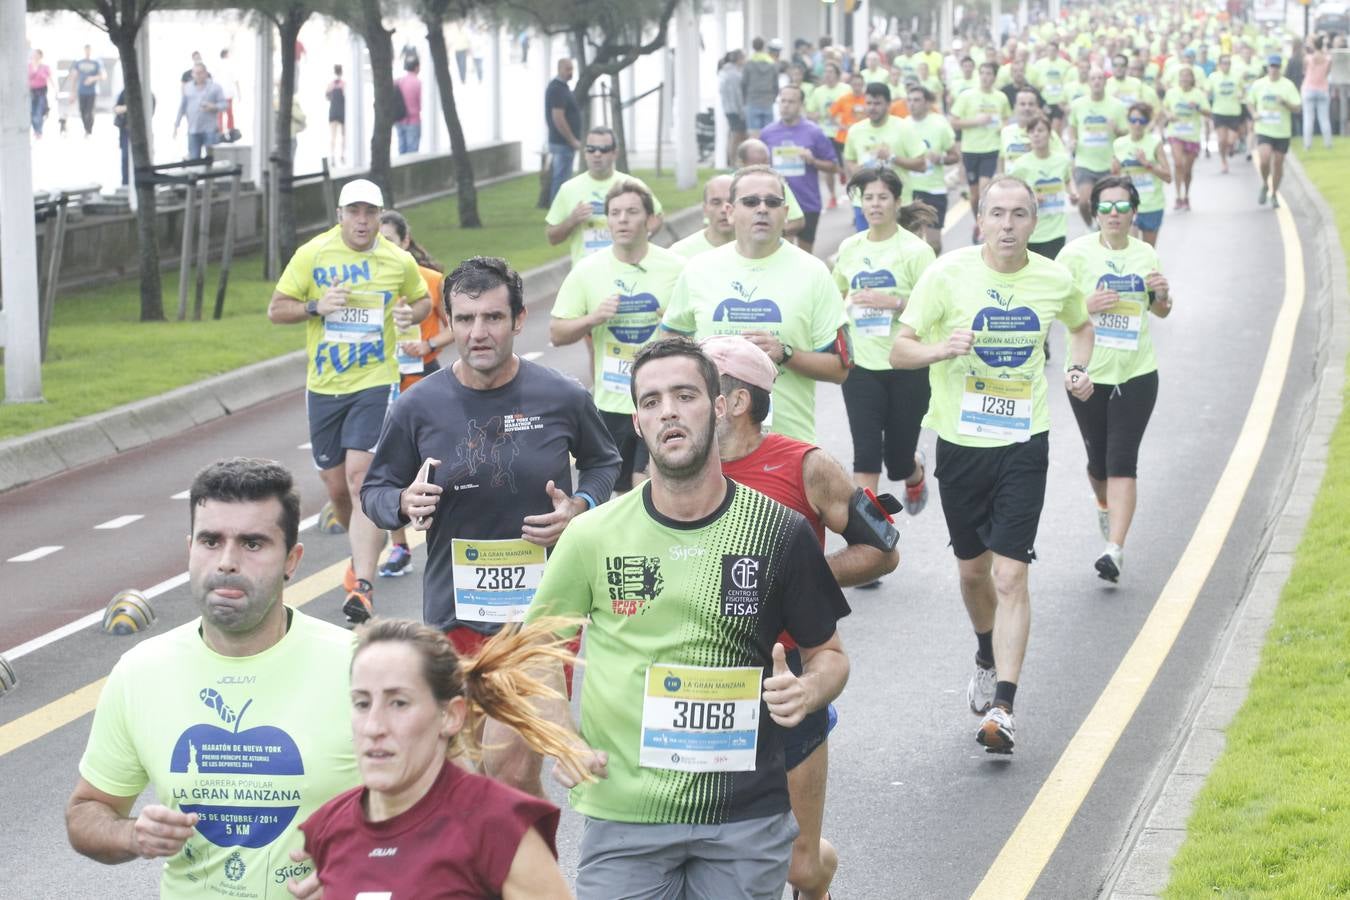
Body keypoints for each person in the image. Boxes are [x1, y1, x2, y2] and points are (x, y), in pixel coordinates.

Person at [523, 337, 852, 900]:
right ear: (637, 422)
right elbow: (534, 653)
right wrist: (563, 738)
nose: (668, 411)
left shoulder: (777, 530)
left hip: (744, 812)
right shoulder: (593, 535)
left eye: (685, 395)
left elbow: (830, 656)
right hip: (624, 812)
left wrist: (809, 690)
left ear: (721, 405)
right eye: (651, 402)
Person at [360, 255, 620, 795]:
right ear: (450, 324)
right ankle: (507, 877)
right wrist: (404, 503)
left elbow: (604, 463)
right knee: (468, 774)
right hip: (453, 615)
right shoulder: (418, 406)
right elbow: (375, 490)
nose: (479, 333)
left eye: (493, 318)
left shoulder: (561, 396)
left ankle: (526, 879)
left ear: (519, 320)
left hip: (540, 618)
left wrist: (581, 506)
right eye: (465, 319)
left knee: (512, 768)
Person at [65, 458, 360, 896]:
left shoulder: (358, 668)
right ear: (189, 549)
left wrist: (362, 882)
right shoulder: (142, 670)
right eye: (210, 540)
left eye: (253, 543)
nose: (226, 562)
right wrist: (132, 835)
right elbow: (87, 811)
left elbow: (443, 816)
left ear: (292, 561)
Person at [890, 175, 1095, 754]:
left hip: (1024, 439)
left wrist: (1079, 371)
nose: (1008, 225)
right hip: (959, 443)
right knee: (973, 572)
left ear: (1036, 221)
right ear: (979, 220)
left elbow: (1081, 327)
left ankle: (1004, 707)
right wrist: (939, 349)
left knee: (1010, 574)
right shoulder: (946, 274)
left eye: (1020, 214)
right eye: (997, 214)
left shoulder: (1054, 278)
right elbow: (898, 348)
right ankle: (985, 648)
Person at [707, 335, 896, 900]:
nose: (678, 404)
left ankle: (817, 881)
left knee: (801, 865)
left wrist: (801, 580)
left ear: (735, 402)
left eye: (696, 388)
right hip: (704, 679)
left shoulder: (807, 465)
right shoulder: (677, 468)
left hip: (786, 678)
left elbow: (884, 548)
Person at [286, 619, 582, 899]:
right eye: (362, 703)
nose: (374, 726)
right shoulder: (329, 826)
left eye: (399, 703)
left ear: (450, 716)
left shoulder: (500, 827)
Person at [267, 178, 431, 623]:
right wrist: (316, 307)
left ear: (380, 217)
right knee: (336, 486)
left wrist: (407, 313)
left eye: (371, 213)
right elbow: (276, 307)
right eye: (354, 212)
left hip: (375, 381)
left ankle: (363, 583)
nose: (362, 221)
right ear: (339, 215)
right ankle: (359, 552)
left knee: (361, 479)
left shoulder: (396, 261)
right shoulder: (313, 254)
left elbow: (421, 303)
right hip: (324, 386)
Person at [662, 164, 851, 444]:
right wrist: (704, 359)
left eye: (772, 202)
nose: (762, 209)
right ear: (730, 211)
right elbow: (669, 339)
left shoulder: (813, 272)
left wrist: (785, 353)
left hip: (786, 443)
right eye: (750, 202)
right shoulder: (699, 269)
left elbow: (840, 368)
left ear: (785, 214)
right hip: (710, 442)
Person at [1056, 176, 1172, 583]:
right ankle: (1103, 505)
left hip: (1137, 374)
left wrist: (1161, 296)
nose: (1114, 215)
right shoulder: (1074, 256)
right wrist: (1085, 305)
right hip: (1086, 375)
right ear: (1095, 212)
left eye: (1122, 208)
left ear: (1134, 212)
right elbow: (1056, 309)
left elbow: (1161, 311)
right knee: (1098, 463)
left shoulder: (1146, 254)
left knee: (1122, 461)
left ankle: (1114, 550)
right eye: (1105, 208)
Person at [550, 181, 685, 492]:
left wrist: (674, 324)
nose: (622, 219)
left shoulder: (677, 268)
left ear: (650, 220)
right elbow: (557, 333)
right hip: (612, 401)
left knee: (649, 483)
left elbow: (698, 330)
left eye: (632, 212)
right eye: (615, 213)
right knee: (619, 491)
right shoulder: (587, 271)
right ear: (608, 220)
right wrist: (594, 318)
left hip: (662, 397)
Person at [833, 168, 936, 518]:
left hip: (906, 365)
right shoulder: (849, 248)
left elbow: (935, 311)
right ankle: (870, 541)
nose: (874, 204)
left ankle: (914, 471)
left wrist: (891, 303)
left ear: (896, 201)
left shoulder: (916, 251)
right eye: (868, 197)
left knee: (897, 459)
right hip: (860, 366)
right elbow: (836, 297)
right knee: (865, 455)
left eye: (882, 197)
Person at [373, 211, 451, 578]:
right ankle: (399, 545)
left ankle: (444, 531)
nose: (383, 247)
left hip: (423, 378)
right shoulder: (369, 283)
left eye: (390, 239)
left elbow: (458, 326)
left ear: (405, 242)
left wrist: (428, 343)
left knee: (431, 464)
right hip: (383, 381)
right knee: (392, 468)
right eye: (378, 240)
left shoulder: (432, 281)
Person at [544, 126, 664, 264]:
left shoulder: (632, 185)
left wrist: (641, 238)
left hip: (627, 266)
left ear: (615, 153)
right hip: (587, 271)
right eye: (591, 149)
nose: (597, 154)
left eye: (604, 149)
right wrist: (572, 220)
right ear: (585, 153)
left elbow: (657, 217)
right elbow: (552, 238)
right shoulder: (568, 189)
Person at [760, 84, 840, 255]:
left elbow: (833, 166)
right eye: (783, 101)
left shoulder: (814, 132)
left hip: (807, 203)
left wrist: (813, 161)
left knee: (805, 255)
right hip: (776, 203)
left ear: (801, 105)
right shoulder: (767, 133)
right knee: (777, 254)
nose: (786, 105)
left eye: (791, 101)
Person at [842, 82, 926, 232]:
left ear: (888, 104)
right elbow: (849, 158)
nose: (872, 107)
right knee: (868, 252)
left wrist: (892, 157)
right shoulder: (856, 130)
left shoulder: (903, 128)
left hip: (898, 203)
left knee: (901, 253)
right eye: (868, 103)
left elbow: (921, 164)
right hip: (864, 203)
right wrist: (857, 171)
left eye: (877, 103)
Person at [949, 61, 1013, 242]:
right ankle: (978, 222)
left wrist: (1002, 128)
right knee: (974, 195)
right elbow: (954, 121)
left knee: (985, 189)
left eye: (989, 74)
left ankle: (983, 226)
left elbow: (1006, 120)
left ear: (994, 77)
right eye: (982, 73)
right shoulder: (967, 96)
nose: (985, 77)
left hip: (991, 149)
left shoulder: (1001, 98)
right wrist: (977, 121)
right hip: (971, 149)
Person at [1009, 113, 1075, 259]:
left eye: (1040, 130)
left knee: (1050, 273)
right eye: (1032, 132)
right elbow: (1010, 196)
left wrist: (1073, 193)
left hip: (1056, 229)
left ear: (1050, 133)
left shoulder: (1062, 161)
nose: (1036, 135)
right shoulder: (1020, 165)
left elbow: (1067, 179)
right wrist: (1030, 199)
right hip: (1030, 231)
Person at [1067, 67, 1127, 226]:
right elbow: (1072, 126)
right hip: (1085, 163)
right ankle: (1091, 227)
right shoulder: (1077, 105)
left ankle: (1104, 230)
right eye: (1093, 78)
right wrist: (1072, 140)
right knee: (1084, 203)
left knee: (1107, 204)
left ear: (1106, 82)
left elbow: (1126, 135)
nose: (1097, 81)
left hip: (1109, 163)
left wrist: (1117, 129)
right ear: (1088, 82)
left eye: (1100, 78)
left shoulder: (1117, 106)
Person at [904, 84, 959, 254]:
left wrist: (940, 158)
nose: (912, 104)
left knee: (934, 244)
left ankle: (932, 272)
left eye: (917, 100)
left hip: (934, 190)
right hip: (909, 191)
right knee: (913, 244)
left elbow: (955, 156)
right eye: (910, 100)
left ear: (927, 103)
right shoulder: (903, 125)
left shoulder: (939, 124)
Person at [1111, 103, 1171, 246]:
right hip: (1129, 205)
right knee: (1132, 249)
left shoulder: (1155, 142)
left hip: (1152, 204)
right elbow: (1115, 176)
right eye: (1133, 120)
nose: (1137, 124)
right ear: (1128, 121)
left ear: (1147, 122)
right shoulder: (1119, 144)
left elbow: (1168, 177)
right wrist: (1115, 171)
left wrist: (1147, 164)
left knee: (1148, 251)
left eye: (1141, 121)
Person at [1247, 55, 1301, 208]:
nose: (1274, 69)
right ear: (1267, 67)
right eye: (1271, 66)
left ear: (1280, 68)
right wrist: (1254, 114)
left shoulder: (1288, 85)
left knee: (1278, 164)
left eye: (1276, 67)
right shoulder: (1259, 84)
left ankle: (1274, 192)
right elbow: (1250, 101)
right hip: (1264, 128)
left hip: (1282, 131)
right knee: (1264, 159)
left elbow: (1297, 107)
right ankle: (1265, 183)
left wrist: (1284, 102)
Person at [1160, 65, 1209, 211]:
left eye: (1188, 76)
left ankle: (1186, 195)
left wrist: (1198, 108)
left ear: (1192, 79)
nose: (1185, 79)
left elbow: (1208, 113)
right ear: (1178, 79)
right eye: (1182, 76)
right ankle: (1177, 196)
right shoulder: (1172, 92)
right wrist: (1168, 115)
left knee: (1187, 170)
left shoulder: (1198, 94)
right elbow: (1164, 107)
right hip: (1176, 133)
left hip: (1192, 136)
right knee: (1178, 164)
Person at [805, 62, 851, 208]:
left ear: (837, 74)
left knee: (847, 165)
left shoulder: (846, 89)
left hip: (843, 133)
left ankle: (844, 175)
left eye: (831, 72)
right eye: (826, 72)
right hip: (825, 134)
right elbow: (809, 113)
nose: (828, 75)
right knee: (828, 168)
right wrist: (816, 115)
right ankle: (832, 196)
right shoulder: (818, 92)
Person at [669, 173, 735, 258]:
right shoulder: (679, 253)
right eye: (716, 202)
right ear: (705, 209)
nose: (724, 209)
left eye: (731, 202)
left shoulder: (756, 250)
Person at [545, 58, 583, 202]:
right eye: (567, 69)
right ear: (559, 69)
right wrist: (572, 140)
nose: (570, 72)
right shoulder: (557, 89)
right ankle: (558, 211)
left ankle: (562, 208)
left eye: (572, 69)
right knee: (561, 179)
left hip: (564, 143)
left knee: (564, 178)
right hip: (562, 143)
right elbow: (558, 117)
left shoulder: (563, 88)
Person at [174, 62, 226, 159]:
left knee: (212, 159)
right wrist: (177, 124)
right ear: (192, 74)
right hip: (193, 130)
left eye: (201, 72)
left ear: (206, 73)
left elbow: (224, 105)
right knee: (194, 159)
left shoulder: (215, 87)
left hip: (210, 129)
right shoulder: (187, 87)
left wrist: (213, 106)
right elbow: (182, 106)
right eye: (196, 73)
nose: (198, 75)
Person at [1208, 53, 1246, 174]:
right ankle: (1223, 161)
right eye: (1224, 63)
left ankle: (1231, 146)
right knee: (1221, 140)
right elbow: (1208, 91)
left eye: (1228, 63)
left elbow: (1244, 90)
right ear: (1219, 65)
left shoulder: (1236, 76)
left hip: (1234, 111)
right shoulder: (1213, 77)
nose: (1226, 65)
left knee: (1230, 141)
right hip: (1219, 112)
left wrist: (1242, 95)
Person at [1301, 36, 1333, 151]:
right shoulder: (1328, 59)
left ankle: (1307, 144)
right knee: (1324, 118)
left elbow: (1304, 71)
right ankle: (1328, 143)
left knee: (1308, 118)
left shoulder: (1308, 58)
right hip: (1323, 89)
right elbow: (1327, 73)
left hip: (1309, 88)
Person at [744, 38, 781, 135]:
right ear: (764, 47)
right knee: (768, 133)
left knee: (754, 134)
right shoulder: (772, 64)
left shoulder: (748, 63)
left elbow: (744, 83)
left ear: (753, 47)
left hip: (752, 100)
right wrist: (774, 97)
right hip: (768, 100)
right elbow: (775, 83)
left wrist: (745, 99)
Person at [719, 51, 748, 168]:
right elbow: (738, 95)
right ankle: (733, 163)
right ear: (739, 59)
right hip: (735, 109)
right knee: (736, 136)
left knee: (732, 135)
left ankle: (732, 161)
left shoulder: (725, 72)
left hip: (728, 108)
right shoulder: (735, 75)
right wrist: (742, 111)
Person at [70, 44, 104, 137]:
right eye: (86, 50)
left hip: (92, 91)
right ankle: (86, 128)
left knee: (89, 111)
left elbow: (103, 76)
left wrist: (92, 78)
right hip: (81, 91)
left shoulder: (96, 62)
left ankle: (89, 130)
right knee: (82, 111)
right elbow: (74, 77)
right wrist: (72, 92)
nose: (87, 52)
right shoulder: (79, 62)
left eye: (89, 50)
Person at [396, 58, 422, 155]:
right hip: (413, 120)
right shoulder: (418, 83)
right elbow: (421, 103)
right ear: (416, 67)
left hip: (399, 119)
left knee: (401, 149)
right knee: (412, 152)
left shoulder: (399, 81)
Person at [29, 49, 52, 139]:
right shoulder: (28, 66)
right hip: (30, 91)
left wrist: (55, 90)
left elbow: (50, 78)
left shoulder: (45, 67)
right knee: (31, 112)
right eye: (34, 54)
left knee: (39, 112)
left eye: (37, 55)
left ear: (40, 56)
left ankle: (39, 131)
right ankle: (36, 130)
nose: (35, 56)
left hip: (41, 91)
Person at [326, 64, 347, 166]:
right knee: (343, 135)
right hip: (342, 112)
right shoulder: (344, 84)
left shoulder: (330, 84)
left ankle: (333, 156)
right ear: (341, 72)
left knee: (333, 136)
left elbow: (327, 96)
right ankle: (342, 155)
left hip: (333, 111)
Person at [215, 48, 239, 135]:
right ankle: (230, 128)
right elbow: (235, 79)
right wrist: (239, 93)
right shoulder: (231, 64)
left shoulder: (217, 64)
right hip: (229, 92)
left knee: (220, 113)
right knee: (229, 112)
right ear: (226, 54)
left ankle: (220, 129)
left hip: (219, 92)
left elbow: (214, 79)